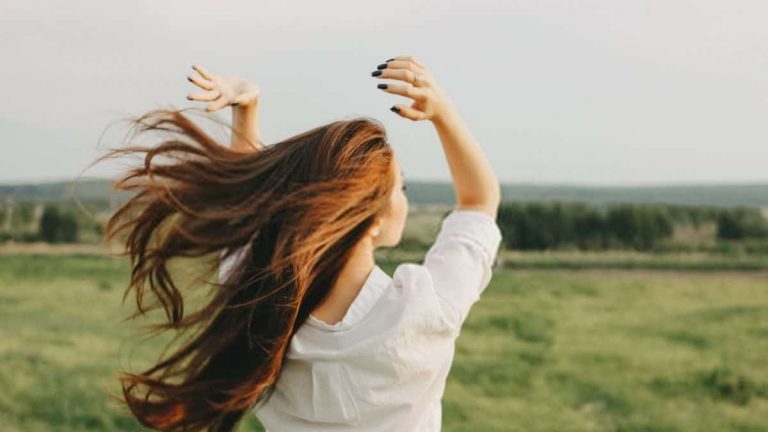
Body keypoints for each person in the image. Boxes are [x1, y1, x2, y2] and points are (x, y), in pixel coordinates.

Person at [101, 55, 502, 431]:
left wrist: (247, 110)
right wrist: (443, 112)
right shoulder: (423, 308)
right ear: (373, 218)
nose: (404, 198)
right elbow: (479, 201)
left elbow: (249, 218)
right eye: (400, 187)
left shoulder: (259, 308)